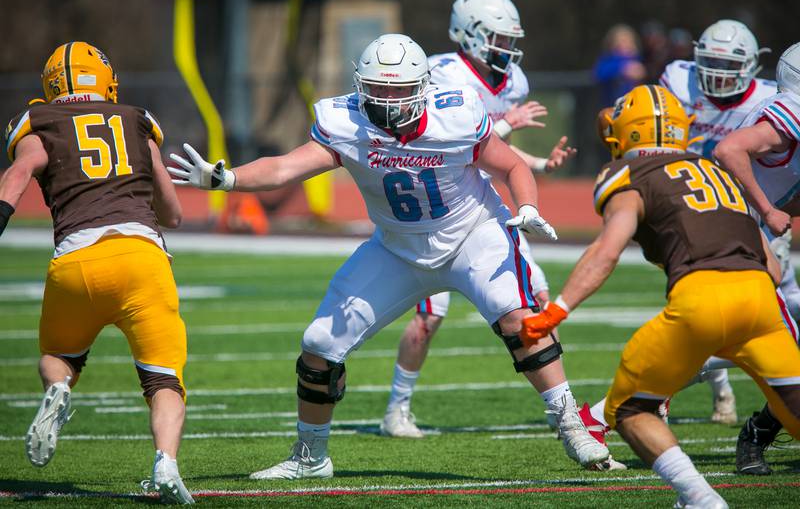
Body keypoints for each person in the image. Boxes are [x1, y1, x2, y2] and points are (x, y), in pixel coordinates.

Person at [168, 33, 613, 478]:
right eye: (377, 88)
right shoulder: (345, 121)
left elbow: (511, 165)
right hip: (398, 247)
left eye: (398, 88)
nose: (387, 99)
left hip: (473, 234)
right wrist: (227, 179)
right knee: (319, 345)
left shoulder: (455, 115)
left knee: (516, 317)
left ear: (423, 86)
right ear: (361, 85)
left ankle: (571, 423)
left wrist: (528, 206)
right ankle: (311, 456)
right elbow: (286, 166)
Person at [520, 84, 800, 509]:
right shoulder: (717, 171)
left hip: (700, 301)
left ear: (628, 133)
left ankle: (700, 498)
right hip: (762, 303)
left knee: (629, 411)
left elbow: (605, 252)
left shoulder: (628, 175)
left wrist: (557, 310)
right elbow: (775, 270)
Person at [377, 0, 613, 470]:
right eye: (498, 37)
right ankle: (395, 409)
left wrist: (540, 162)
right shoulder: (440, 74)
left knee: (533, 302)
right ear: (469, 34)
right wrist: (505, 125)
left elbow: (490, 151)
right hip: (434, 205)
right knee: (429, 316)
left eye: (510, 39)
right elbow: (445, 143)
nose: (507, 47)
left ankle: (562, 409)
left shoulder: (512, 81)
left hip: (482, 204)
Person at [0, 42, 193, 504]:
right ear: (106, 82)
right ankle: (165, 463)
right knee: (164, 381)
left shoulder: (38, 121)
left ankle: (60, 390)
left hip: (77, 260)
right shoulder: (137, 120)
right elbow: (173, 213)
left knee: (57, 357)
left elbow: (21, 170)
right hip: (143, 257)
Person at [580, 20, 779, 432]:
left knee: (739, 315)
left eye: (728, 65)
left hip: (743, 213)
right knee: (729, 313)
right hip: (691, 208)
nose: (718, 74)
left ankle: (651, 392)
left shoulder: (768, 99)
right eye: (710, 63)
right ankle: (661, 393)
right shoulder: (678, 79)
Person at [713, 41, 800, 475]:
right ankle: (611, 411)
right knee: (760, 339)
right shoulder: (789, 111)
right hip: (733, 232)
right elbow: (729, 150)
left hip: (746, 229)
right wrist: (768, 211)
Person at [593, 24, 646, 108]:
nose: (624, 44)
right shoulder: (608, 59)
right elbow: (598, 74)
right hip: (612, 106)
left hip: (634, 107)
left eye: (628, 41)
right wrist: (622, 69)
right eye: (620, 41)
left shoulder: (637, 59)